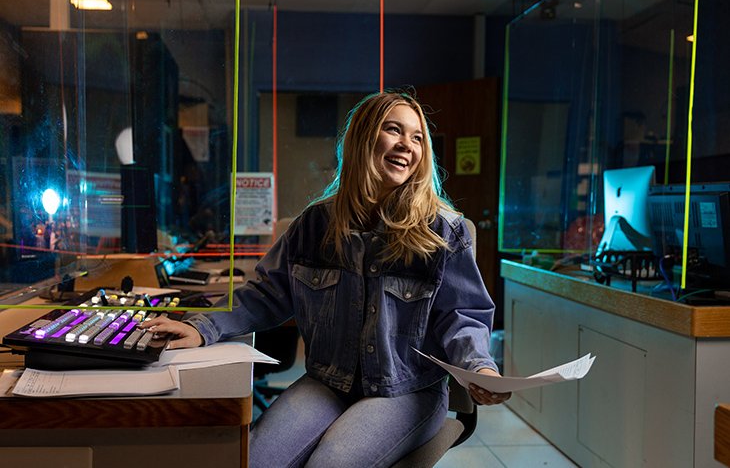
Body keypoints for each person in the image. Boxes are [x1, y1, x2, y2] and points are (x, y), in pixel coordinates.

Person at [142, 89, 511, 467]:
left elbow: (462, 315)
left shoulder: (443, 231)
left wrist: (478, 366)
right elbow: (265, 294)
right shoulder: (314, 225)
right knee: (253, 461)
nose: (407, 145)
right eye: (394, 130)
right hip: (329, 382)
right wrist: (203, 327)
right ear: (363, 139)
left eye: (417, 137)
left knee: (330, 463)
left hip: (406, 390)